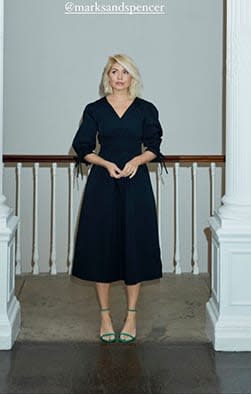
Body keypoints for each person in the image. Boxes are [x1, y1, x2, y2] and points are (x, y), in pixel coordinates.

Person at [70, 53, 168, 343]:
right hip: (103, 184)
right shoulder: (94, 110)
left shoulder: (146, 109)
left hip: (136, 186)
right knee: (102, 247)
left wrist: (137, 161)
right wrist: (105, 164)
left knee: (134, 247)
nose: (120, 76)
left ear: (132, 77)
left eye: (125, 71)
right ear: (107, 77)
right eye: (115, 71)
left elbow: (154, 146)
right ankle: (104, 315)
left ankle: (132, 315)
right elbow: (83, 147)